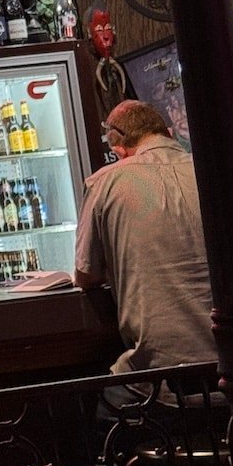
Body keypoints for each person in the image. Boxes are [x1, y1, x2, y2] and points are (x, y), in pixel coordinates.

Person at [75, 99, 216, 377]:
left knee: (97, 408)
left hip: (158, 380)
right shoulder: (214, 171)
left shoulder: (105, 182)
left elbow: (86, 274)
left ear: (118, 150)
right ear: (170, 134)